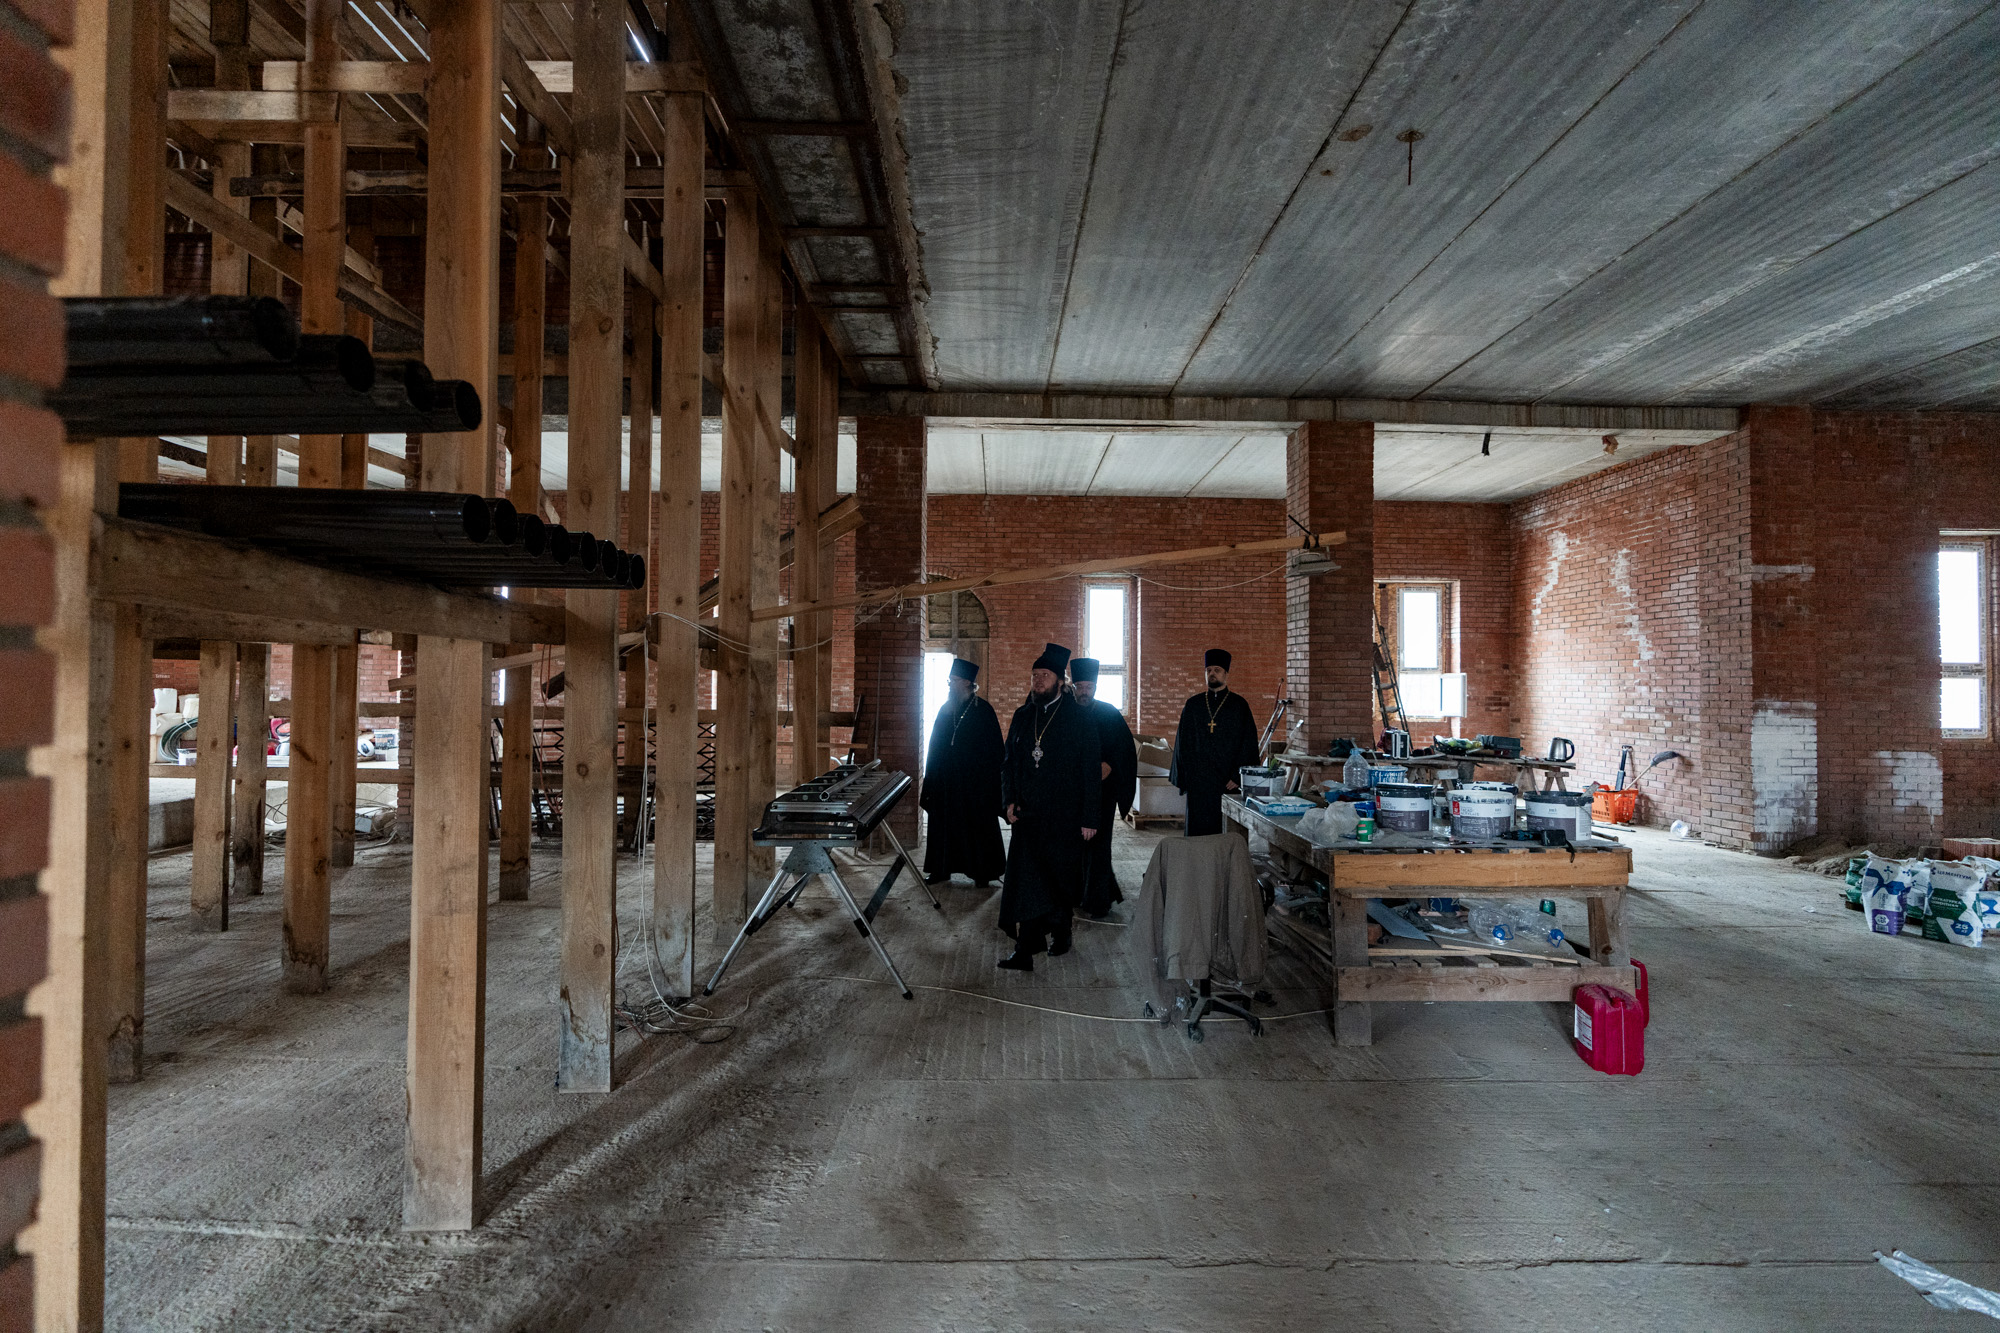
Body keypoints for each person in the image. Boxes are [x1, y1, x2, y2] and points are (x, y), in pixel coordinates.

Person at [997, 642, 1101, 971]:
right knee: (1026, 881)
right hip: (1027, 814)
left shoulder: (1079, 718)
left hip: (1065, 816)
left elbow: (1090, 771)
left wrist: (1090, 817)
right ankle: (1024, 950)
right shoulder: (1023, 716)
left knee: (1058, 879)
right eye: (1034, 675)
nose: (1038, 680)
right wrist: (1009, 800)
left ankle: (1061, 933)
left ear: (1060, 681)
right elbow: (1008, 763)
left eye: (1044, 675)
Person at [919, 657, 1006, 887]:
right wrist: (931, 780)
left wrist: (989, 783)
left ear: (967, 682)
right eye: (949, 680)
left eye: (954, 680)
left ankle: (982, 872)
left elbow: (996, 751)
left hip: (975, 785)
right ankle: (940, 870)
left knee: (977, 827)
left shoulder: (984, 710)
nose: (950, 685)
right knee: (943, 827)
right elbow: (934, 747)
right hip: (946, 783)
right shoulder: (945, 709)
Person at [1169, 647, 1261, 837]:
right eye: (1208, 670)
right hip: (1199, 783)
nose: (1212, 674)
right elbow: (1182, 744)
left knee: (1224, 833)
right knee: (1197, 834)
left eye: (1217, 670)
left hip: (1226, 783)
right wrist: (1185, 776)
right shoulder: (1193, 705)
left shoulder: (1239, 705)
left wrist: (1237, 776)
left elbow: (1248, 744)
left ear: (1226, 674)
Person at [1070, 657, 1136, 918]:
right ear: (1073, 687)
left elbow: (1125, 750)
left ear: (1095, 688)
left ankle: (1098, 900)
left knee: (1098, 845)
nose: (1084, 692)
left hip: (1102, 793)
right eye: (1080, 687)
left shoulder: (1109, 713)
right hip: (1072, 792)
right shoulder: (1066, 713)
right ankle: (1075, 894)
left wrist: (1110, 764)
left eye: (1088, 687)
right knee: (1073, 845)